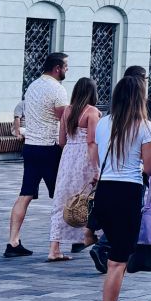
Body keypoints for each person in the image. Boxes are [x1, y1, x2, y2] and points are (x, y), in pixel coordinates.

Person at [92, 72, 151, 301]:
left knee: (115, 258)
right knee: (118, 263)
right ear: (139, 98)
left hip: (104, 191)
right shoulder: (144, 126)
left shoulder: (103, 123)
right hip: (127, 193)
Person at [6, 52, 70, 258]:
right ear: (57, 68)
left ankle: (13, 242)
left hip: (31, 146)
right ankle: (66, 244)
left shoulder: (32, 86)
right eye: (66, 67)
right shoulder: (57, 89)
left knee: (25, 194)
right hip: (49, 148)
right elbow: (64, 120)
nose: (67, 70)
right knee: (62, 197)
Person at [48, 77, 101, 261]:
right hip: (85, 158)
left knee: (63, 200)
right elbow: (92, 142)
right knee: (88, 199)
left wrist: (70, 151)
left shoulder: (67, 111)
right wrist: (96, 168)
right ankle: (89, 235)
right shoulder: (92, 112)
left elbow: (61, 141)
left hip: (68, 157)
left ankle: (54, 248)